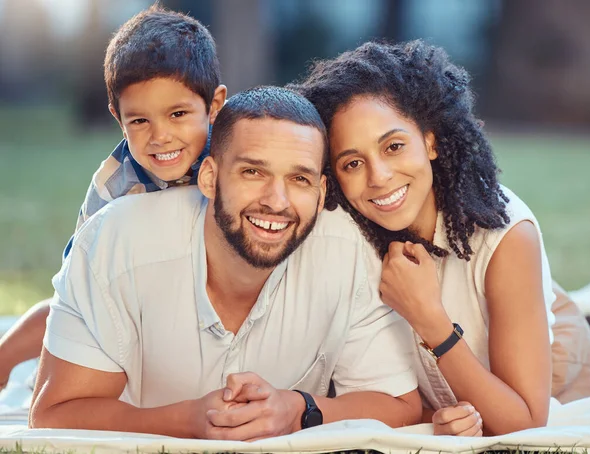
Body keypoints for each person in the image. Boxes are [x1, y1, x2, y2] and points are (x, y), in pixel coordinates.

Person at [29, 86, 422, 440]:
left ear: (321, 194)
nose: (277, 201)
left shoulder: (344, 250)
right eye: (253, 172)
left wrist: (299, 410)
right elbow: (53, 415)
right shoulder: (117, 240)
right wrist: (189, 420)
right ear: (210, 178)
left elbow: (399, 404)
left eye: (299, 179)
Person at [295, 40, 569, 436]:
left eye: (394, 146)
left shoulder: (507, 235)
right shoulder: (345, 234)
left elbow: (525, 420)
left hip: (561, 354)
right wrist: (434, 418)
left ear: (430, 141)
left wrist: (428, 318)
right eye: (352, 163)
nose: (379, 176)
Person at [0, 5, 226, 391]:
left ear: (214, 106)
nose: (161, 136)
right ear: (117, 117)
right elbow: (78, 287)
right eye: (139, 121)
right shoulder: (114, 185)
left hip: (203, 289)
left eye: (178, 114)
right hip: (135, 287)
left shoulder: (237, 156)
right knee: (69, 304)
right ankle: (4, 360)